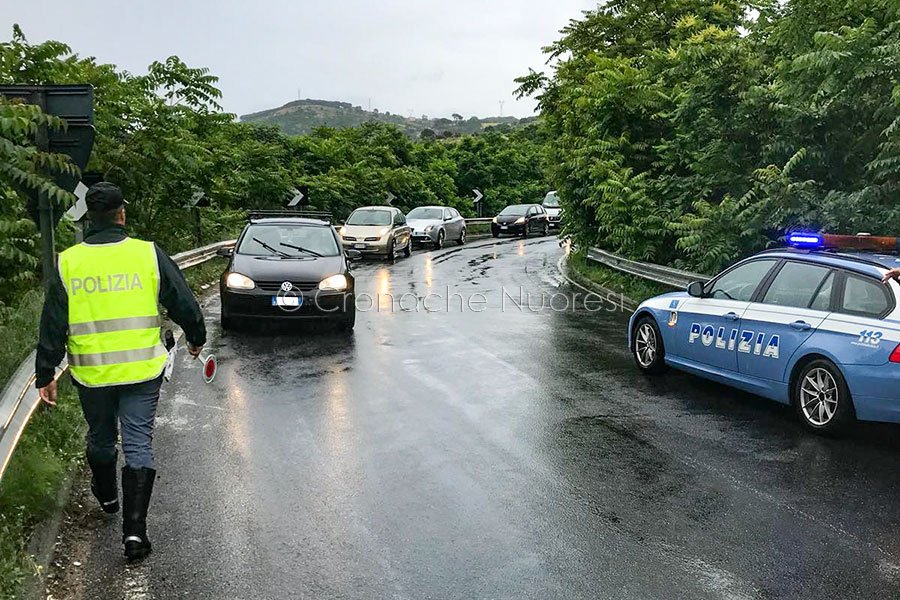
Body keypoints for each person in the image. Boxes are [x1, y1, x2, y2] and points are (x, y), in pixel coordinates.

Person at [35, 182, 207, 562]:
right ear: (122, 214)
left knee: (99, 436)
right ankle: (134, 534)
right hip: (141, 370)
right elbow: (181, 298)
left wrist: (45, 373)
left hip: (92, 374)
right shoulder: (147, 254)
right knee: (138, 444)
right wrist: (196, 336)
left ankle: (108, 497)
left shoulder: (69, 261)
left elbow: (52, 323)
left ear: (88, 218)